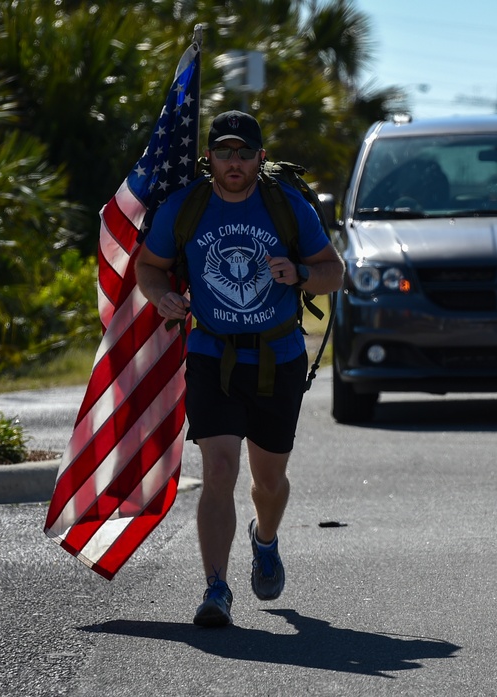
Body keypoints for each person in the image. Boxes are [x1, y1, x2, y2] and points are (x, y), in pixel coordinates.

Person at [135, 110, 345, 628]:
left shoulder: (287, 206)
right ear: (208, 158)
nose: (234, 162)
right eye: (224, 152)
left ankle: (265, 539)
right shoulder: (185, 208)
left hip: (278, 358)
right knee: (220, 471)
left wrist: (298, 273)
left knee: (268, 481)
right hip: (212, 354)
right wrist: (163, 297)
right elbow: (148, 266)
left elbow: (333, 272)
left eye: (244, 152)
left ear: (260, 158)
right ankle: (216, 588)